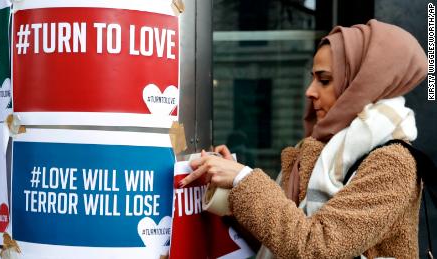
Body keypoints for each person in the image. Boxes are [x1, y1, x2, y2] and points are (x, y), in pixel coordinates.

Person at [179, 19, 428, 258]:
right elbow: (279, 243)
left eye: (325, 80)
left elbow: (316, 248)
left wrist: (244, 179)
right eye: (313, 78)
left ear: (362, 84)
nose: (310, 91)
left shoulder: (393, 162)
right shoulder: (316, 151)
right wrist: (232, 190)